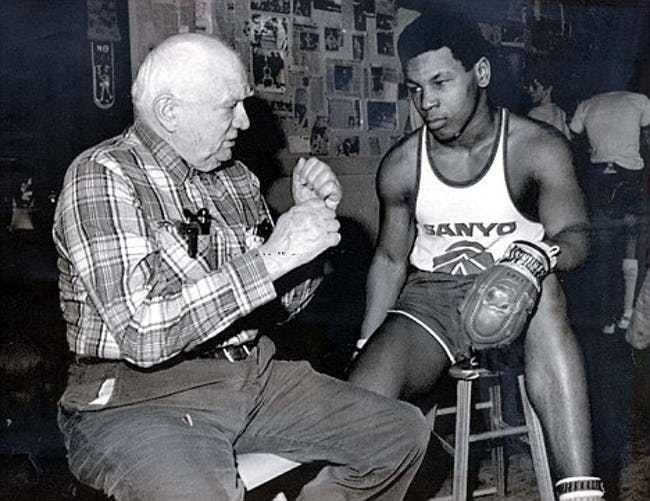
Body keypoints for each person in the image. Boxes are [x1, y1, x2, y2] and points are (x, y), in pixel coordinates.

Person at [53, 33, 429, 501]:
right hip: (141, 399)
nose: (245, 121)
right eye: (230, 106)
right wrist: (272, 257)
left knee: (399, 434)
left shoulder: (235, 178)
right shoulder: (102, 176)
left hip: (250, 376)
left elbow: (273, 309)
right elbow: (142, 334)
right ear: (170, 112)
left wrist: (306, 245)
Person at [348, 12, 605, 501]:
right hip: (433, 298)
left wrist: (535, 260)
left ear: (480, 74)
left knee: (543, 290)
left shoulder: (536, 148)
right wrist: (367, 340)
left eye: (441, 82)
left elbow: (576, 234)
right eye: (416, 88)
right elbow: (388, 260)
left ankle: (581, 492)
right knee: (358, 405)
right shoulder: (402, 166)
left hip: (521, 288)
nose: (427, 102)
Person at [569, 90, 650, 333]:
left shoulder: (587, 103)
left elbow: (573, 136)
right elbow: (647, 140)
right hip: (629, 178)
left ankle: (607, 319)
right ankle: (628, 313)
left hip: (599, 180)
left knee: (604, 252)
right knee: (634, 244)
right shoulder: (640, 100)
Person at [525, 73, 571, 139]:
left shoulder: (534, 114)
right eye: (529, 86)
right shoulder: (560, 112)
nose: (530, 90)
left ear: (549, 89)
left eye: (535, 87)